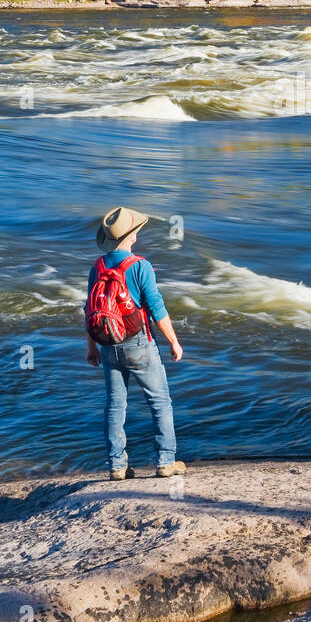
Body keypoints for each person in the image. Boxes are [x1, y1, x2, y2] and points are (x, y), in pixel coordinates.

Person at [85, 206, 186, 481]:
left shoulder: (99, 266)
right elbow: (156, 308)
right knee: (160, 402)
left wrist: (92, 347)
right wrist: (174, 342)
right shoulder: (140, 265)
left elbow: (90, 310)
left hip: (108, 344)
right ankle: (165, 461)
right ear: (132, 236)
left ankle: (117, 466)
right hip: (138, 343)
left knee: (115, 406)